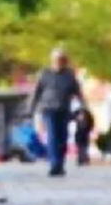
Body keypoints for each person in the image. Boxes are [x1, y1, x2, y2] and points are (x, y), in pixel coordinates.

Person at [29, 48, 83, 177]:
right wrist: (30, 109)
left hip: (64, 110)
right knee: (52, 136)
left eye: (62, 60)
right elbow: (36, 92)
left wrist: (83, 110)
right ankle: (54, 165)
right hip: (48, 109)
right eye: (57, 60)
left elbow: (79, 94)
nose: (60, 62)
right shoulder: (44, 74)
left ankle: (60, 164)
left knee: (63, 138)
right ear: (52, 61)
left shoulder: (70, 76)